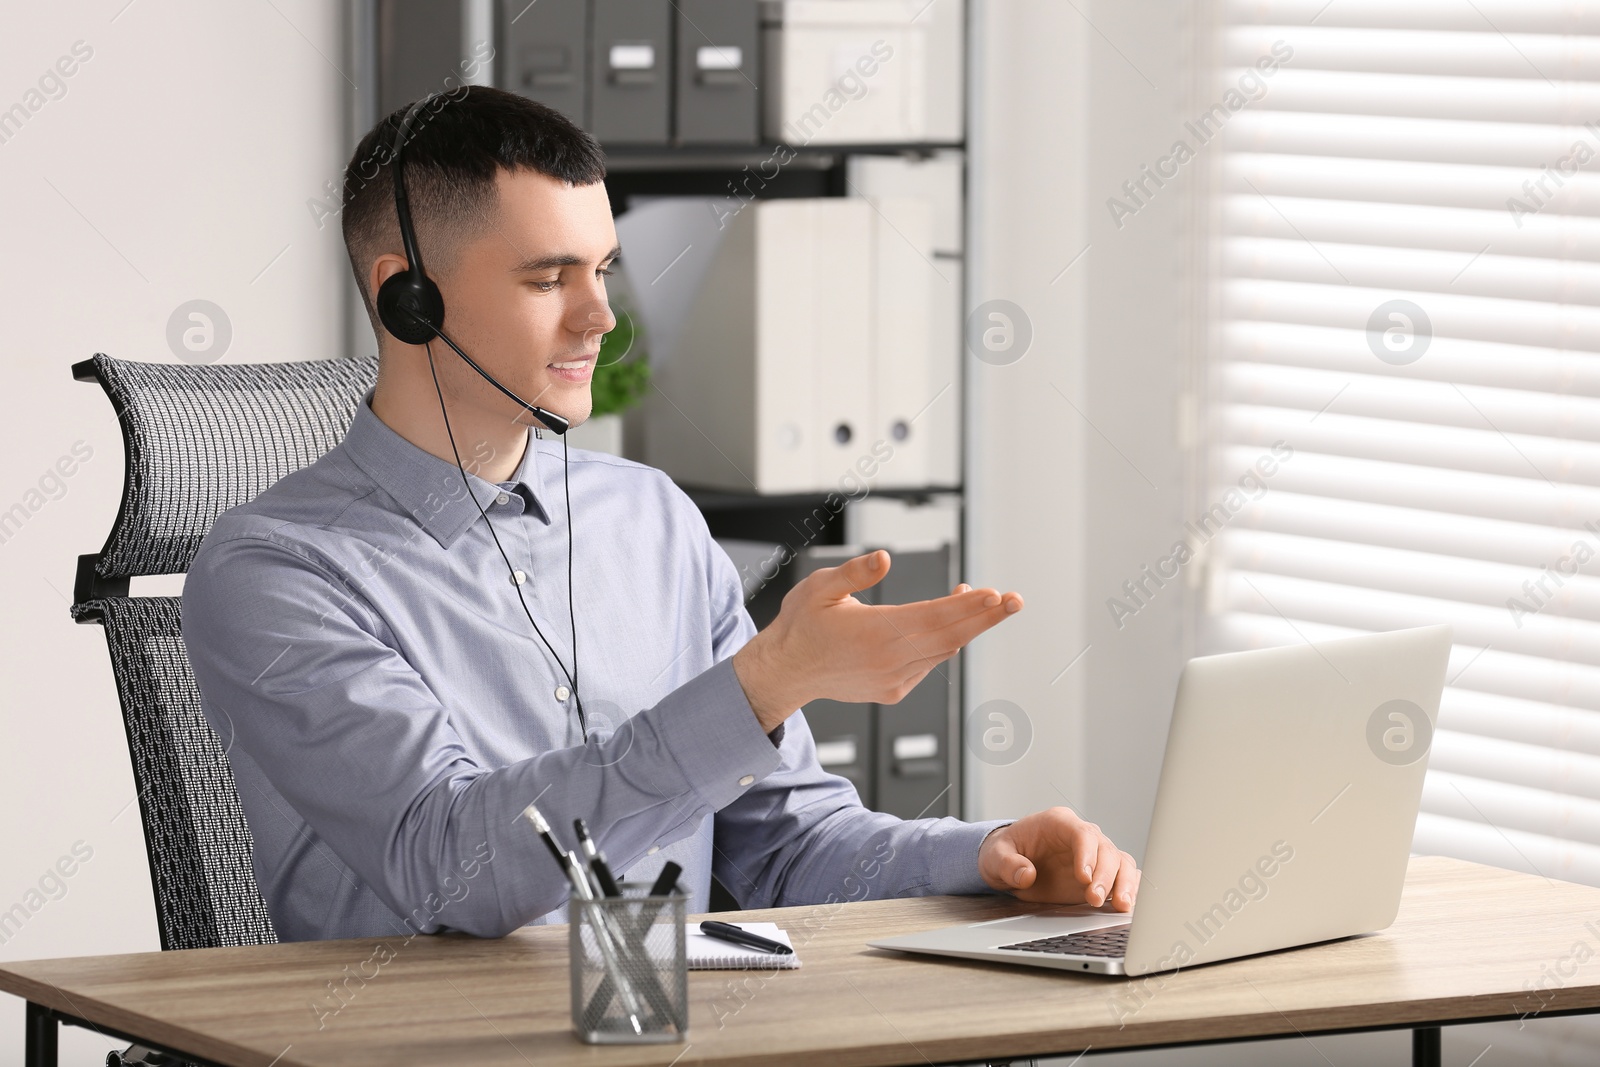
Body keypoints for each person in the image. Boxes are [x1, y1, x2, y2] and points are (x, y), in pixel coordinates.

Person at [182, 86, 1139, 942]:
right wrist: (760, 686)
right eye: (548, 278)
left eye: (604, 270)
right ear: (409, 297)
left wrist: (989, 858)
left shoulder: (652, 519)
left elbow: (785, 851)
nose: (601, 318)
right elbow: (450, 867)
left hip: (665, 1037)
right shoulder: (276, 572)